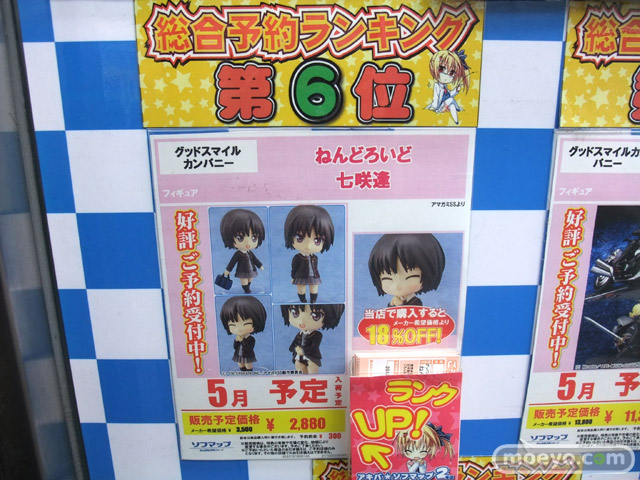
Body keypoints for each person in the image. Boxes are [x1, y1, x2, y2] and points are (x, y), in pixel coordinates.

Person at [368, 233, 445, 307]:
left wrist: (400, 305)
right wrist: (392, 305)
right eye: (387, 279)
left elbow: (413, 310)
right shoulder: (394, 300)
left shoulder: (415, 301)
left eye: (411, 277)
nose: (397, 286)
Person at [284, 205, 335, 303]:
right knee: (301, 287)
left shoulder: (315, 258)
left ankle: (313, 300)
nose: (308, 246)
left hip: (314, 276)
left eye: (317, 240)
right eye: (299, 238)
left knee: (314, 287)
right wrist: (293, 277)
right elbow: (294, 268)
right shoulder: (297, 257)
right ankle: (303, 300)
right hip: (300, 276)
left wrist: (317, 275)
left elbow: (316, 267)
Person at [280, 303, 344, 374]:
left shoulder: (317, 335)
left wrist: (303, 350)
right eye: (295, 313)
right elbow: (291, 347)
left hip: (311, 358)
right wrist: (296, 349)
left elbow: (314, 347)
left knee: (312, 370)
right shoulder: (299, 334)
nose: (302, 322)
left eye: (316, 316)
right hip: (299, 357)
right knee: (299, 368)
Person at [220, 209, 265, 293]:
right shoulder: (238, 254)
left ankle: (248, 287)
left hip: (251, 269)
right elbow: (232, 262)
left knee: (250, 278)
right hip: (242, 271)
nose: (248, 243)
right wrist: (228, 270)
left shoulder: (250, 253)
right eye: (240, 238)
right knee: (244, 280)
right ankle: (246, 289)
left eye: (254, 238)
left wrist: (260, 265)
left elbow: (255, 259)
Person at [220, 296, 267, 372]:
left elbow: (249, 348)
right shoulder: (238, 338)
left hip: (248, 356)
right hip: (238, 355)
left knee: (248, 366)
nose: (239, 329)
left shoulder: (251, 339)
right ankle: (242, 373)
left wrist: (242, 341)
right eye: (232, 325)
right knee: (240, 365)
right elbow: (235, 347)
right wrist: (236, 341)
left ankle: (249, 374)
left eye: (246, 324)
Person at [426, 50, 470, 125]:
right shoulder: (437, 86)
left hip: (445, 105)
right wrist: (433, 108)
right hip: (439, 108)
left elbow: (449, 95)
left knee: (452, 104)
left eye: (451, 73)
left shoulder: (445, 87)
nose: (446, 76)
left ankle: (456, 122)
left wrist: (456, 90)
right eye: (441, 69)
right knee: (451, 100)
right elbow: (436, 98)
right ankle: (458, 109)